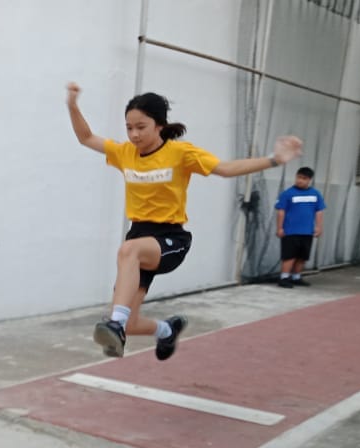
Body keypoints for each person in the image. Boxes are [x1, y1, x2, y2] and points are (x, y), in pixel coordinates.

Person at [66, 82, 303, 360]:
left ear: (159, 126)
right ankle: (166, 330)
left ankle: (115, 325)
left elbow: (225, 169)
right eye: (129, 127)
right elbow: (86, 138)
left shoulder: (181, 154)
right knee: (132, 320)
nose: (133, 134)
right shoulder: (124, 153)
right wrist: (72, 106)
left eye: (141, 127)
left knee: (127, 255)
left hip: (170, 240)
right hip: (138, 238)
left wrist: (274, 159)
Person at [274, 166, 324, 288]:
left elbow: (319, 211)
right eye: (298, 177)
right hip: (290, 231)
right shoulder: (287, 194)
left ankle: (296, 277)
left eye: (304, 178)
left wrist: (318, 227)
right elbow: (281, 211)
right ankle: (284, 277)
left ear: (309, 180)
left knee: (302, 256)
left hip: (307, 231)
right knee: (289, 255)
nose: (300, 180)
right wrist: (280, 228)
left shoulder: (316, 194)